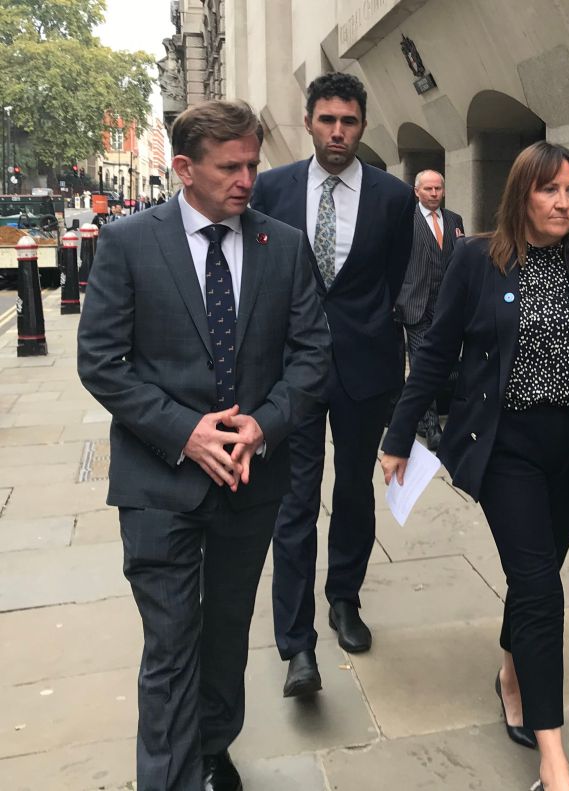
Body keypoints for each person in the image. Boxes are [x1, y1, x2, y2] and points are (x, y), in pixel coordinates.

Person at [381, 141, 569, 791]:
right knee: (541, 587)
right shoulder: (477, 259)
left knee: (535, 576)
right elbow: (435, 352)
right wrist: (399, 435)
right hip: (504, 446)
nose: (563, 202)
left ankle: (511, 669)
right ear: (521, 195)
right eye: (549, 190)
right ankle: (554, 759)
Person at [77, 99, 331, 791]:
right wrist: (184, 432)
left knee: (223, 634)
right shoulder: (129, 243)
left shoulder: (282, 245)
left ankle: (213, 748)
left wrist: (265, 423)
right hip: (157, 482)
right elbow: (101, 361)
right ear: (184, 168)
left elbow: (312, 355)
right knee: (169, 644)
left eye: (253, 163)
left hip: (248, 483)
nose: (247, 178)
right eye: (231, 166)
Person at [250, 71, 416, 695]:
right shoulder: (271, 190)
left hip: (364, 370)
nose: (337, 131)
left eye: (348, 121)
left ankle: (344, 599)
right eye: (326, 120)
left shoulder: (393, 198)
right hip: (289, 372)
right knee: (293, 503)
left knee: (352, 494)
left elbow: (397, 282)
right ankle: (297, 644)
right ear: (308, 122)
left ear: (362, 125)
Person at [395, 169, 464, 450]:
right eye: (428, 189)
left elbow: (462, 259)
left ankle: (425, 417)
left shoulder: (454, 221)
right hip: (416, 304)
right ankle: (432, 427)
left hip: (447, 306)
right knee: (424, 365)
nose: (434, 194)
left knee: (447, 364)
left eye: (438, 189)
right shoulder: (405, 221)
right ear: (417, 191)